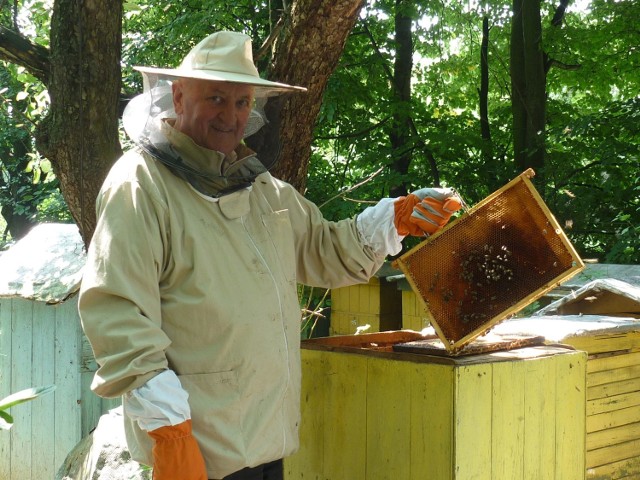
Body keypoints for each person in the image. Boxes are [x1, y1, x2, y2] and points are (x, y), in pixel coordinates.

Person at [78, 31, 461, 480]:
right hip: (197, 450)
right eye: (216, 98)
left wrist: (394, 219)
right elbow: (117, 310)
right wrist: (169, 432)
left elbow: (324, 249)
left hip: (266, 441)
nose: (231, 116)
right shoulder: (140, 186)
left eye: (242, 103)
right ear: (178, 96)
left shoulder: (263, 190)